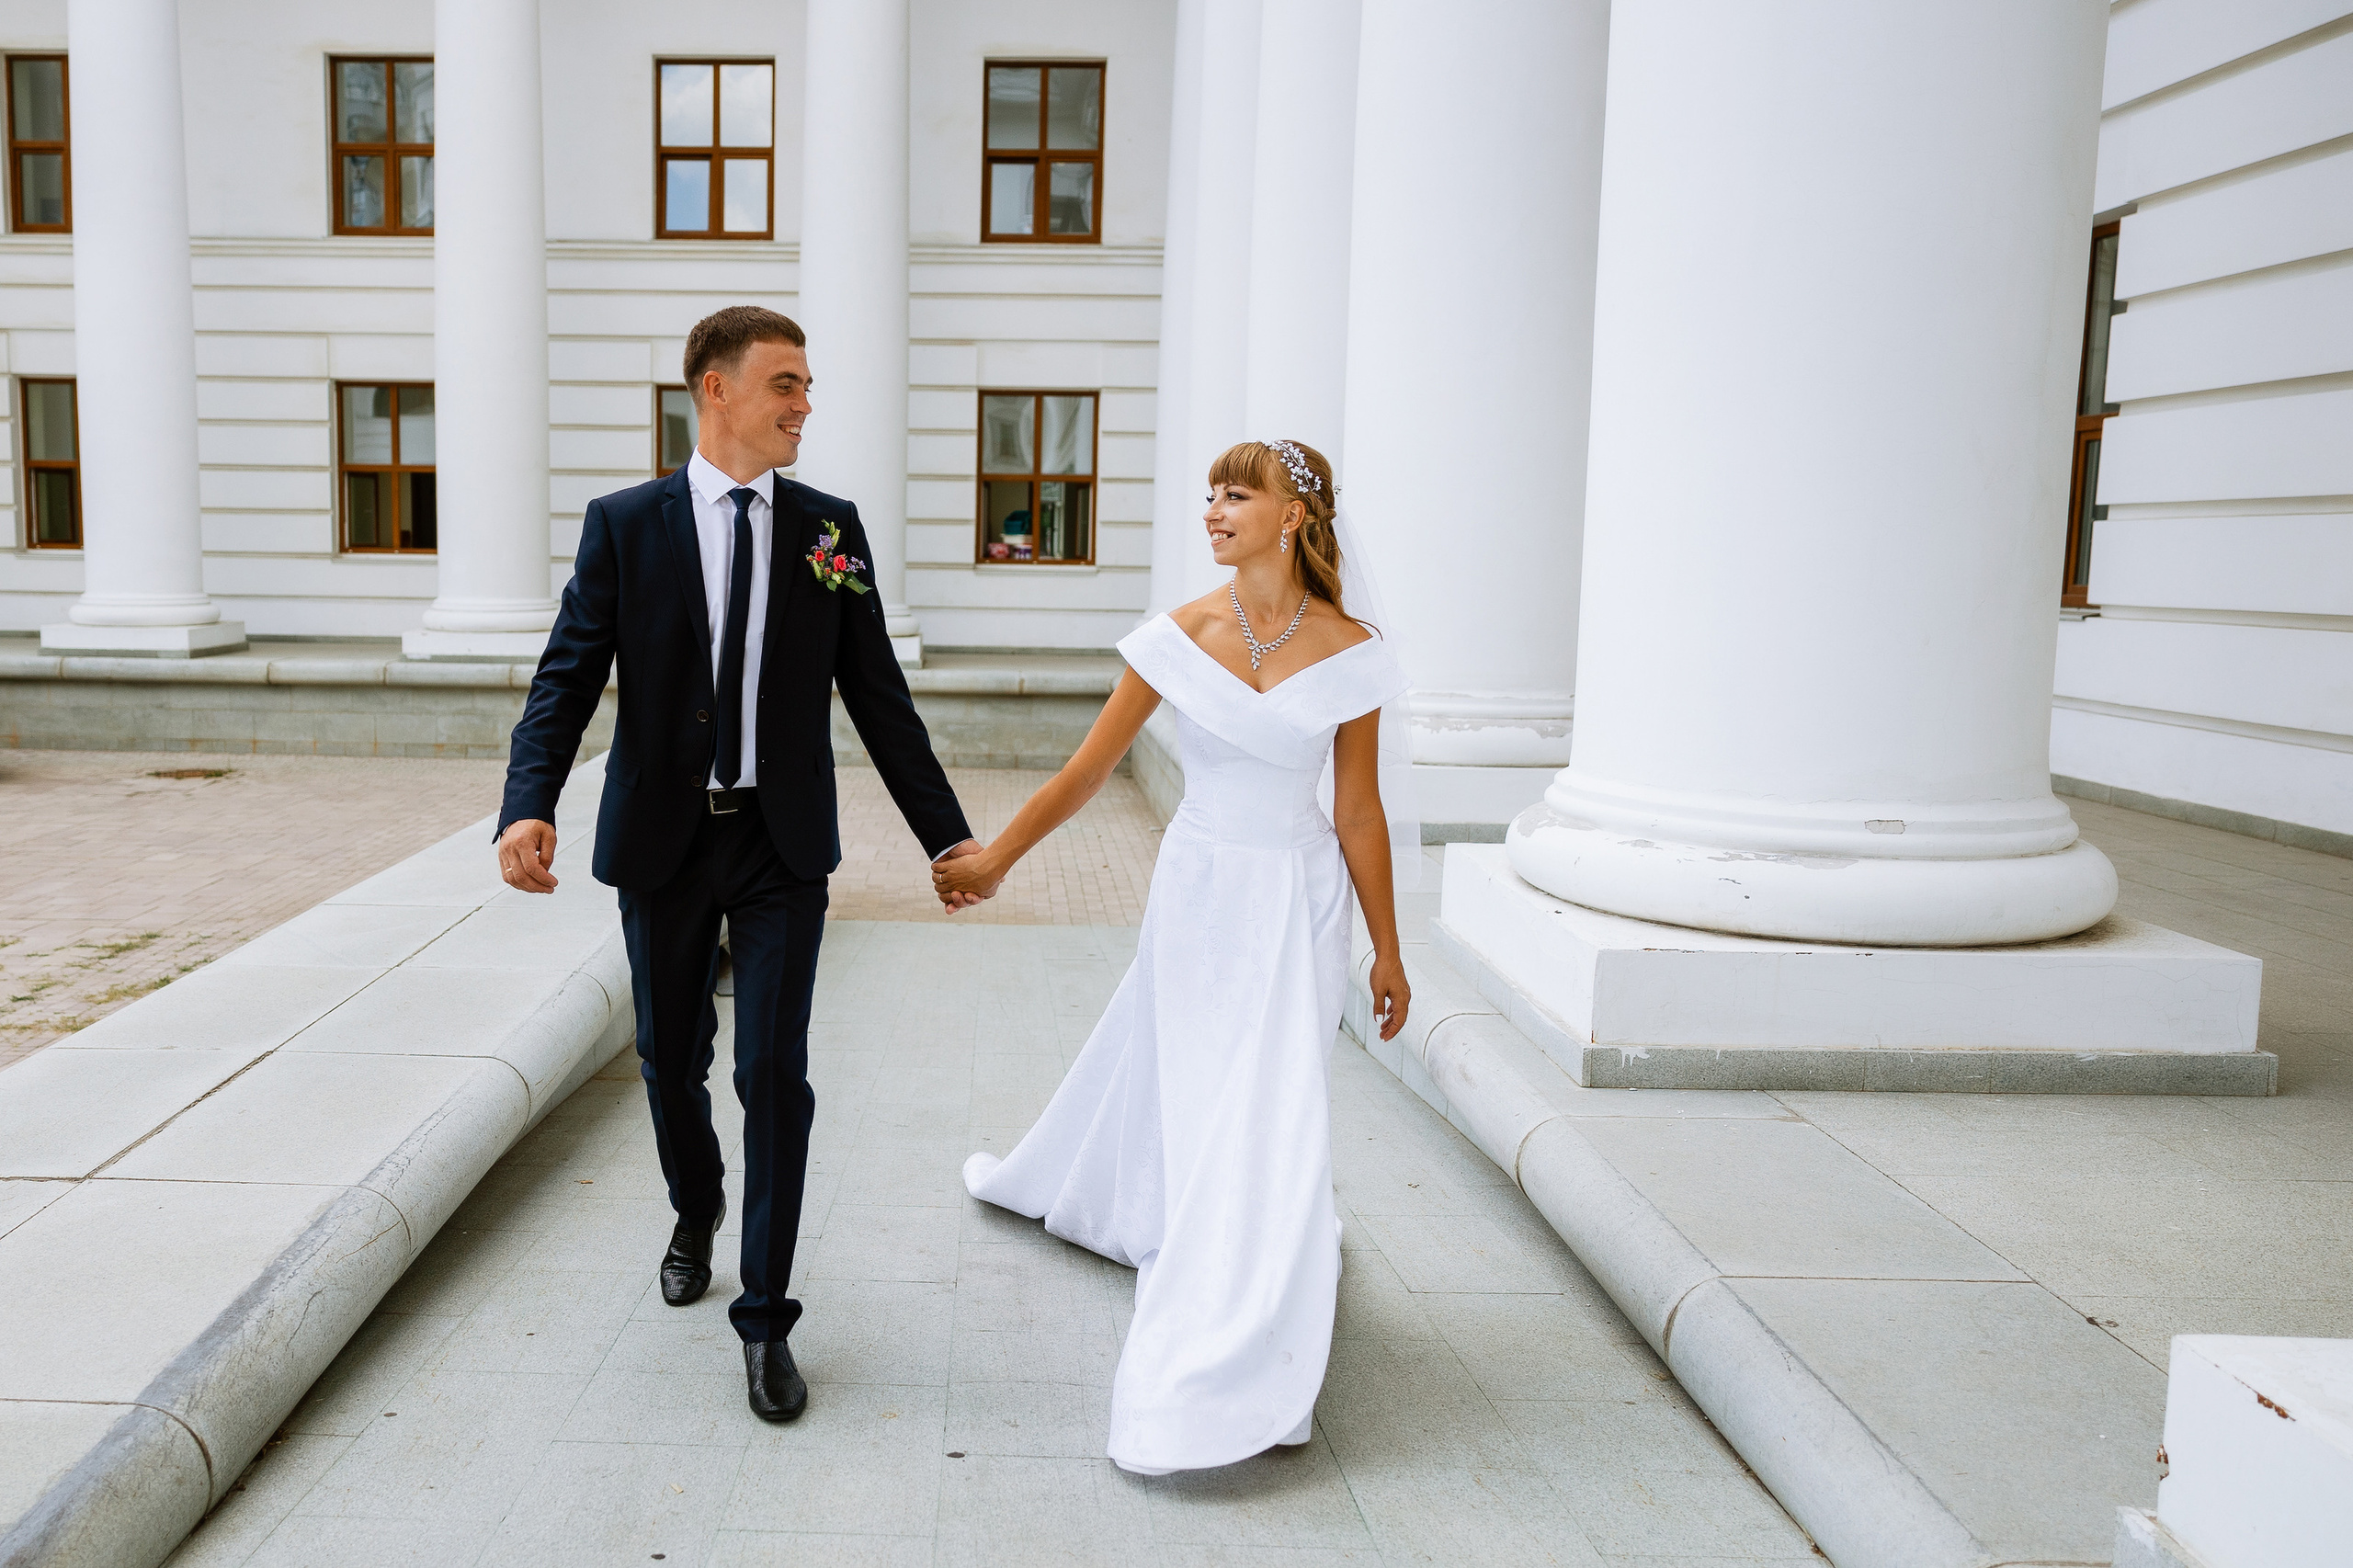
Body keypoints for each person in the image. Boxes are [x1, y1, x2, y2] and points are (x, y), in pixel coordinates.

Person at [494, 305, 991, 1425]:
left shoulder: (829, 528)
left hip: (779, 844)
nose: (804, 403)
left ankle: (765, 1315)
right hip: (663, 843)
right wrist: (527, 806)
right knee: (671, 1060)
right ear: (715, 390)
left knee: (773, 1070)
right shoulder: (626, 524)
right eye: (786, 383)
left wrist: (946, 837)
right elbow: (564, 677)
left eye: (808, 385)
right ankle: (695, 1206)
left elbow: (879, 698)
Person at [935, 437, 1413, 1474]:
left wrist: (1387, 948)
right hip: (1199, 894)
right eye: (1209, 494)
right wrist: (999, 858)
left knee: (1274, 1104)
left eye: (1236, 494)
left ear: (1292, 515)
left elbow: (1361, 810)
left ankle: (1261, 1310)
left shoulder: (1352, 646)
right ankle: (1213, 1292)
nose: (1212, 509)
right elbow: (1085, 769)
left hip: (1298, 897)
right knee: (1207, 1096)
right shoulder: (1177, 634)